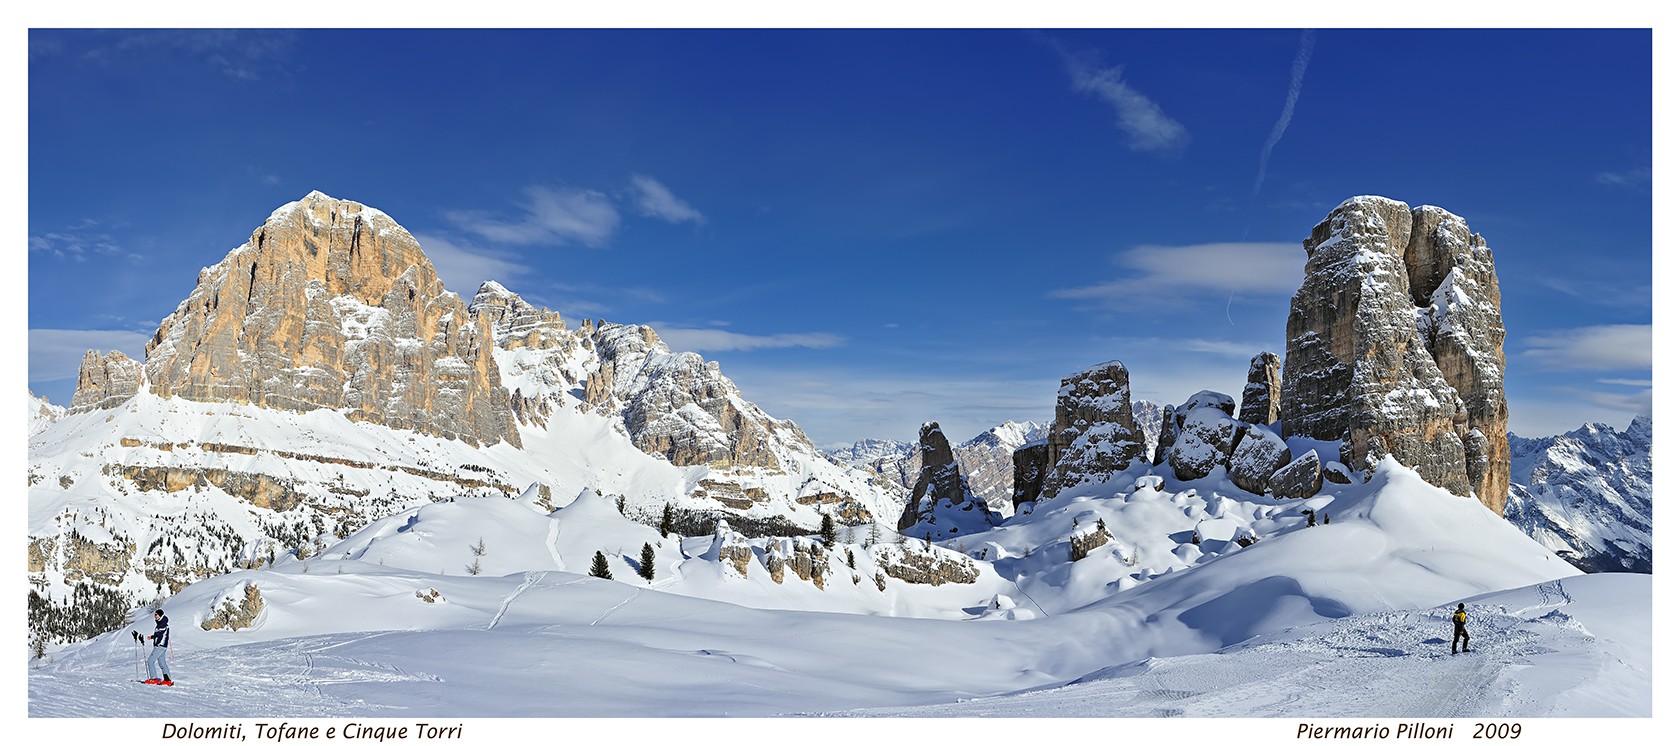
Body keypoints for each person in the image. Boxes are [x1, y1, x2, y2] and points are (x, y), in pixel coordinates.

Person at [144, 608, 173, 685]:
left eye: (156, 615)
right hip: (162, 646)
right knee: (162, 663)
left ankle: (153, 679)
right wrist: (152, 637)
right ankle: (167, 680)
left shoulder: (162, 624)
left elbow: (161, 636)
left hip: (160, 646)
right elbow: (158, 634)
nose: (155, 616)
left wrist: (157, 644)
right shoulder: (161, 623)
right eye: (155, 614)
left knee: (150, 661)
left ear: (160, 615)